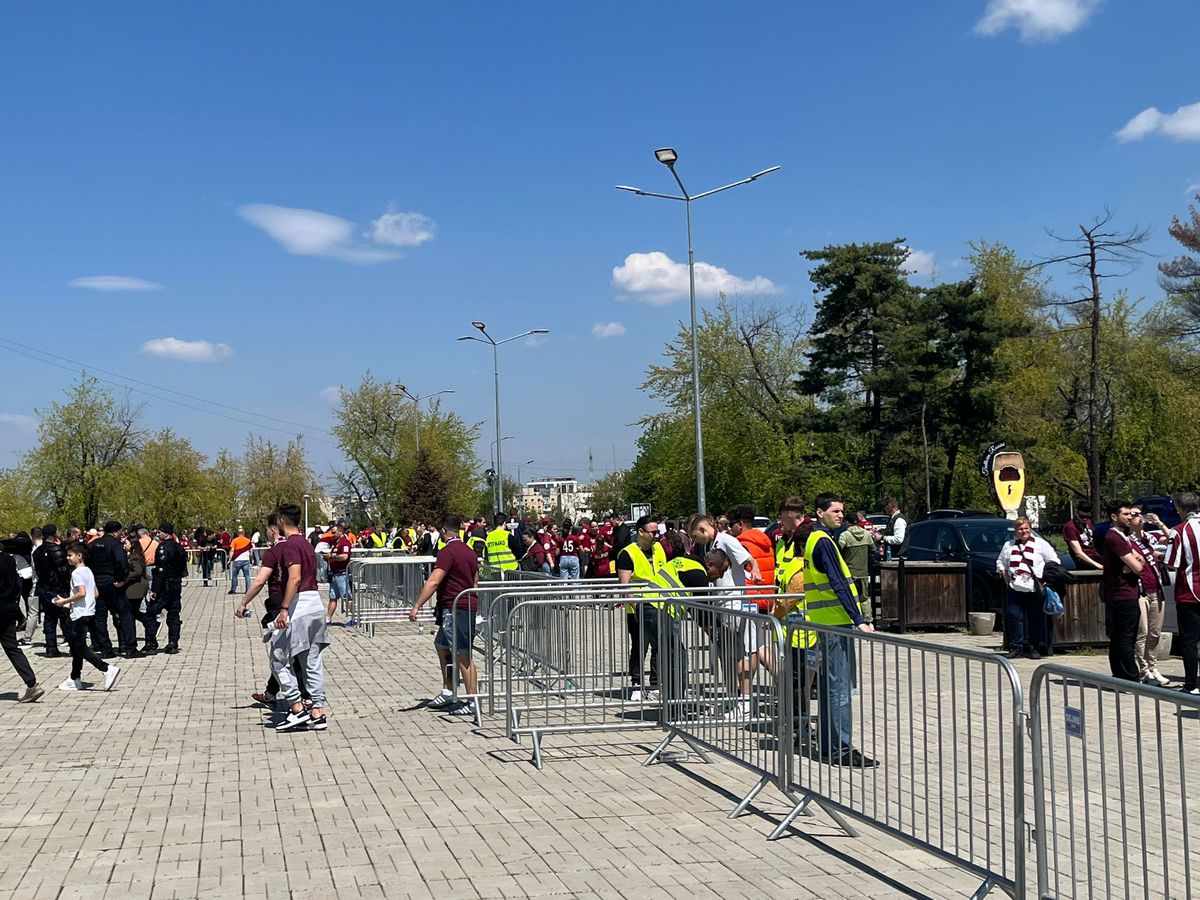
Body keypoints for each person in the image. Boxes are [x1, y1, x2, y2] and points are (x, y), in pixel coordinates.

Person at [805, 493, 877, 767]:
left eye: (842, 511)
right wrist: (858, 618)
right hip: (835, 624)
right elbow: (838, 583)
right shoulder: (823, 541)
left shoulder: (816, 539)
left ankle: (827, 746)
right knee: (840, 689)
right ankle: (841, 749)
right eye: (835, 510)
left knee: (828, 688)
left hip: (825, 622)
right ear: (819, 512)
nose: (840, 515)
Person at [409, 515, 480, 716]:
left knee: (463, 654)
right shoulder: (469, 551)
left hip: (456, 607)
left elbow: (434, 581)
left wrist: (417, 606)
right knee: (442, 645)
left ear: (442, 531)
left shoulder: (447, 552)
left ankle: (473, 701)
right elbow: (476, 580)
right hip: (465, 604)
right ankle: (449, 690)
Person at [237, 515, 309, 707]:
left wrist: (243, 603)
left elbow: (260, 581)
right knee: (291, 651)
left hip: (280, 603)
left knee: (285, 654)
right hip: (300, 600)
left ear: (273, 530)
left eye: (268, 530)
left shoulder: (275, 551)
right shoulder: (298, 546)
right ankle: (271, 692)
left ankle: (303, 698)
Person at [271, 503, 330, 733]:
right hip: (316, 604)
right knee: (312, 660)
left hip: (301, 606)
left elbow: (294, 578)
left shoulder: (291, 545)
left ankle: (296, 707)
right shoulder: (306, 543)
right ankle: (318, 710)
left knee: (278, 655)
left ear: (281, 522)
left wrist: (284, 608)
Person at [54, 542, 120, 692]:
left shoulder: (76, 573)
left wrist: (65, 600)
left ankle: (106, 669)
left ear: (79, 556)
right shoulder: (89, 571)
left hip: (79, 615)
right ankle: (74, 678)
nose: (68, 558)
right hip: (89, 612)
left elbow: (81, 593)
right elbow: (94, 593)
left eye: (70, 555)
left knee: (80, 647)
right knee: (77, 648)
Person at [616, 515, 667, 701]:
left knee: (659, 647)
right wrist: (634, 605)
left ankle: (655, 683)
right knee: (639, 646)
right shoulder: (627, 553)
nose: (657, 535)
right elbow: (625, 585)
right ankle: (637, 683)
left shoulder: (659, 548)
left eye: (658, 532)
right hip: (638, 608)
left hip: (660, 604)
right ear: (641, 532)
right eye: (653, 532)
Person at [996, 516, 1059, 659]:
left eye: (1026, 528)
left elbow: (1054, 561)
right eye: (1020, 529)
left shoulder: (1040, 544)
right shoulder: (1009, 545)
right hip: (1015, 587)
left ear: (1030, 529)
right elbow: (1000, 561)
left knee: (1035, 618)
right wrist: (1003, 572)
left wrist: (1047, 578)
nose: (1023, 531)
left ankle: (1034, 647)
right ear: (1016, 531)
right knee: (1014, 616)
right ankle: (1016, 646)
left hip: (1034, 587)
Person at [1101, 500, 1144, 681]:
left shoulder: (1122, 535)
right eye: (1125, 514)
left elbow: (1139, 558)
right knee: (1126, 637)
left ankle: (1119, 674)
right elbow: (1138, 567)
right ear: (1114, 516)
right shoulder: (1114, 537)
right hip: (1123, 594)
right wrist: (1132, 565)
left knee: (1119, 636)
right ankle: (1130, 676)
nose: (1130, 517)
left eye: (1130, 514)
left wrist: (1133, 564)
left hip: (1122, 592)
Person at [1128, 505, 1170, 686]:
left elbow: (1172, 539)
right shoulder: (1127, 540)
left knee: (1155, 632)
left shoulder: (1150, 538)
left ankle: (1153, 667)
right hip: (1140, 591)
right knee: (1143, 632)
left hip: (1157, 589)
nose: (1140, 518)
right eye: (1135, 515)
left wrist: (1159, 523)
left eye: (1140, 514)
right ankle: (1144, 670)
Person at [86, 521, 138, 659]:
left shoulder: (93, 545)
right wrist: (122, 579)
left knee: (100, 617)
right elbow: (121, 563)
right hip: (113, 582)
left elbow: (88, 562)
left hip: (97, 583)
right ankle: (130, 647)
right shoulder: (115, 545)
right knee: (125, 613)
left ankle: (105, 649)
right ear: (116, 532)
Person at [1166, 491, 1200, 696]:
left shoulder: (1179, 531)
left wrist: (1159, 554)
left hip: (1190, 592)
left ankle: (1190, 684)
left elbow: (1171, 562)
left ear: (1181, 509)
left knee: (1189, 641)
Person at [0, 546, 43, 702]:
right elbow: (17, 583)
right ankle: (32, 684)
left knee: (11, 647)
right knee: (12, 648)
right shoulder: (9, 559)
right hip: (10, 607)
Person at [149, 522, 188, 654]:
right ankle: (173, 642)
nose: (158, 534)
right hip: (176, 584)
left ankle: (151, 642)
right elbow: (184, 567)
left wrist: (154, 589)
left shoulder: (163, 548)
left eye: (160, 532)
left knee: (151, 612)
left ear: (166, 533)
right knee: (173, 613)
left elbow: (161, 570)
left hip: (165, 585)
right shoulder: (179, 547)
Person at [32, 525, 70, 658]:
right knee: (65, 617)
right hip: (56, 587)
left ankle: (51, 646)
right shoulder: (55, 549)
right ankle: (74, 645)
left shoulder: (37, 551)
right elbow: (63, 570)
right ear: (54, 534)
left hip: (43, 587)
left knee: (49, 618)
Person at [837, 511, 875, 623]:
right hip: (863, 572)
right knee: (864, 598)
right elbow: (873, 549)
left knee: (850, 597)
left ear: (847, 522)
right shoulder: (866, 534)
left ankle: (853, 619)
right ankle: (868, 620)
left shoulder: (845, 535)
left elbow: (838, 550)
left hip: (849, 572)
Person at [120, 533, 154, 654]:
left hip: (135, 589)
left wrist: (124, 579)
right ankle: (150, 625)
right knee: (134, 613)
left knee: (131, 613)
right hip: (134, 588)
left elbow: (137, 571)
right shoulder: (131, 555)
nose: (124, 545)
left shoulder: (135, 556)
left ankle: (150, 626)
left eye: (126, 543)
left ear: (132, 544)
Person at [325, 523, 353, 625]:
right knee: (332, 597)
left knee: (346, 596)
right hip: (334, 574)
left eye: (334, 532)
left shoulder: (344, 543)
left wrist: (331, 557)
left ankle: (354, 618)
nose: (332, 534)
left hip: (342, 574)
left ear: (340, 532)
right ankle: (327, 619)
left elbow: (344, 557)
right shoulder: (335, 543)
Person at [1062, 502, 1102, 571]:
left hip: (1096, 555)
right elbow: (1078, 553)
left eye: (1087, 516)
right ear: (1076, 513)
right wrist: (1099, 566)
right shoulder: (1070, 527)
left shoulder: (1089, 522)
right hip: (1085, 560)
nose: (1084, 519)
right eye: (1082, 516)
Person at [228, 528, 253, 595]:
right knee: (247, 576)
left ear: (237, 533)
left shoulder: (235, 540)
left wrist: (230, 559)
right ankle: (248, 590)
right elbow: (251, 551)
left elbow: (232, 550)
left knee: (234, 576)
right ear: (244, 533)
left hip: (237, 560)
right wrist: (251, 559)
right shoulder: (248, 540)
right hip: (246, 560)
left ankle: (233, 590)